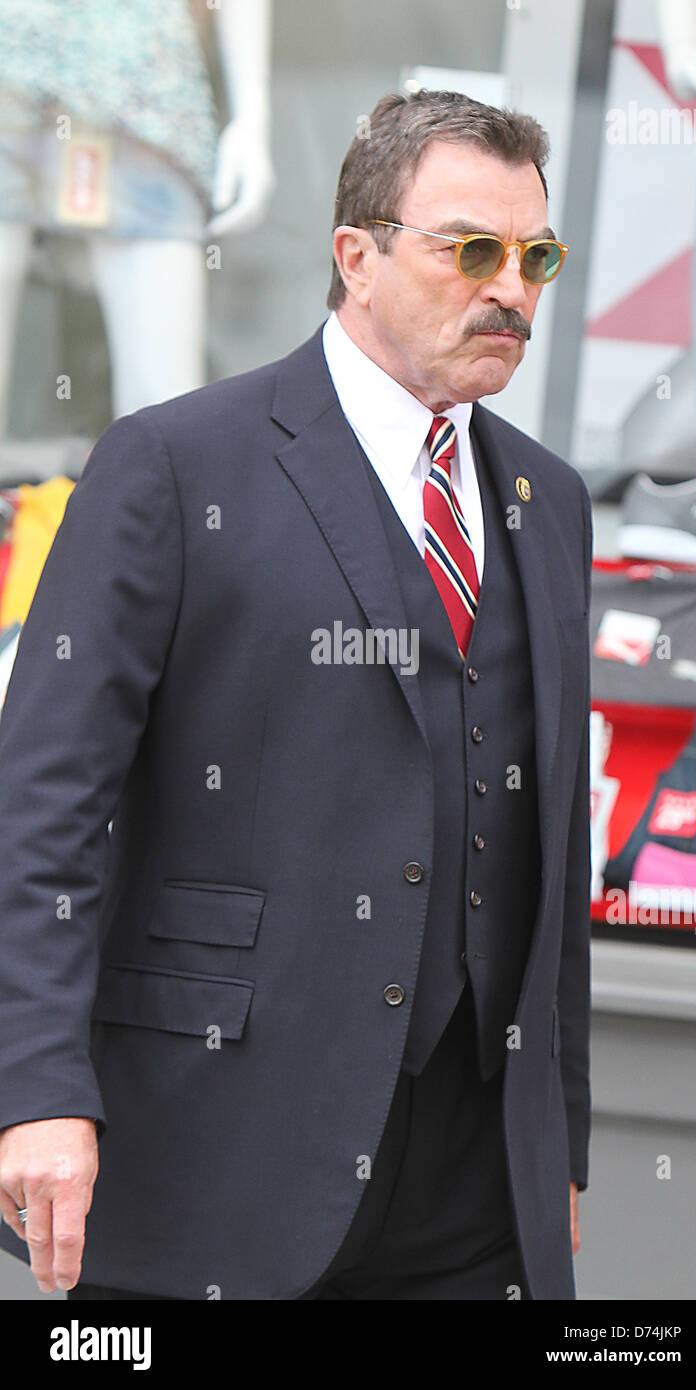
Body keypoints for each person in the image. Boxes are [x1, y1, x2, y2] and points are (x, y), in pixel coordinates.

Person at [0, 89, 593, 1302]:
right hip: (221, 1149)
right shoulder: (175, 463)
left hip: (477, 1180)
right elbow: (40, 808)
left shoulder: (549, 500)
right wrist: (36, 1090)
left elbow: (551, 842)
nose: (510, 288)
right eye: (469, 249)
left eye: (534, 256)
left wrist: (559, 1135)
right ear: (354, 256)